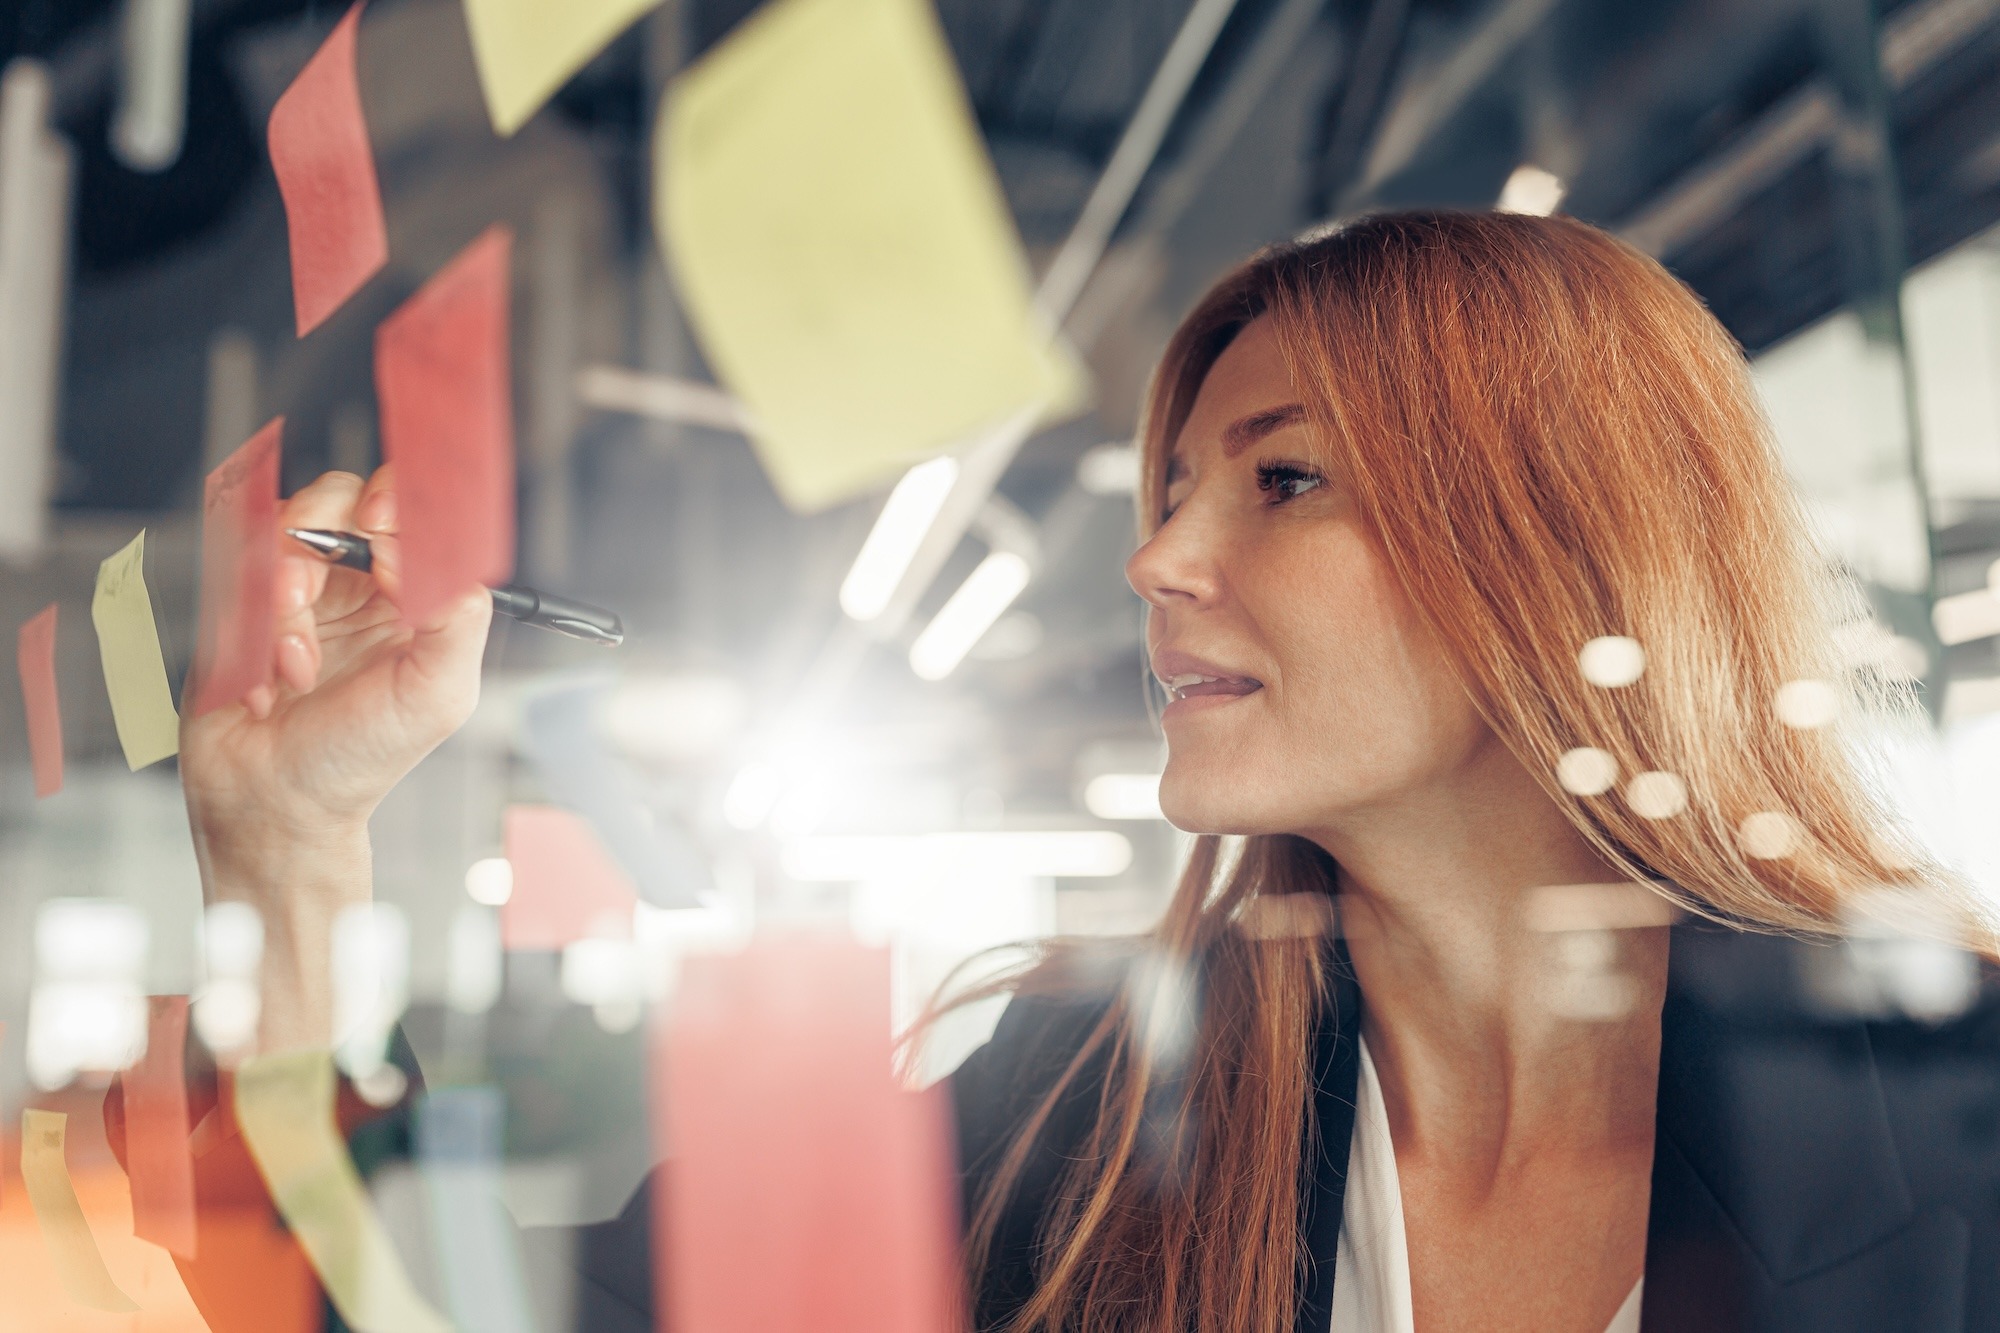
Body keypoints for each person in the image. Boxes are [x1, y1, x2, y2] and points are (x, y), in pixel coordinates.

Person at [162, 210, 2000, 1333]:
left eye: (1283, 480)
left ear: (1558, 547)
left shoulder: (1952, 1123)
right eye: (1174, 488)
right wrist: (290, 845)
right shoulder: (1083, 1119)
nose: (1157, 559)